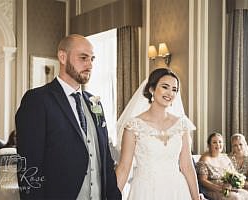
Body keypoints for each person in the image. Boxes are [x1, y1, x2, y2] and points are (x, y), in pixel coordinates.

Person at [16, 34, 121, 200]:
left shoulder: (95, 103)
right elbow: (29, 167)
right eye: (83, 58)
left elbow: (106, 159)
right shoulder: (37, 100)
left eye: (92, 59)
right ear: (62, 57)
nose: (90, 65)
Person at [115, 68, 200, 200]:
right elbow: (124, 168)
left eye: (174, 89)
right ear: (152, 89)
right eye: (165, 87)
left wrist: (196, 198)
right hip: (145, 191)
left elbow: (187, 166)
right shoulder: (133, 126)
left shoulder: (181, 125)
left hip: (177, 191)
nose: (170, 93)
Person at [196, 132, 248, 200]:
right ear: (209, 145)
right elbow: (202, 180)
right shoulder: (204, 159)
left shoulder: (225, 157)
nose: (218, 144)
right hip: (212, 189)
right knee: (236, 198)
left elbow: (234, 174)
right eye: (214, 142)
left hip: (228, 187)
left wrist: (238, 183)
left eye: (220, 142)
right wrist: (219, 188)